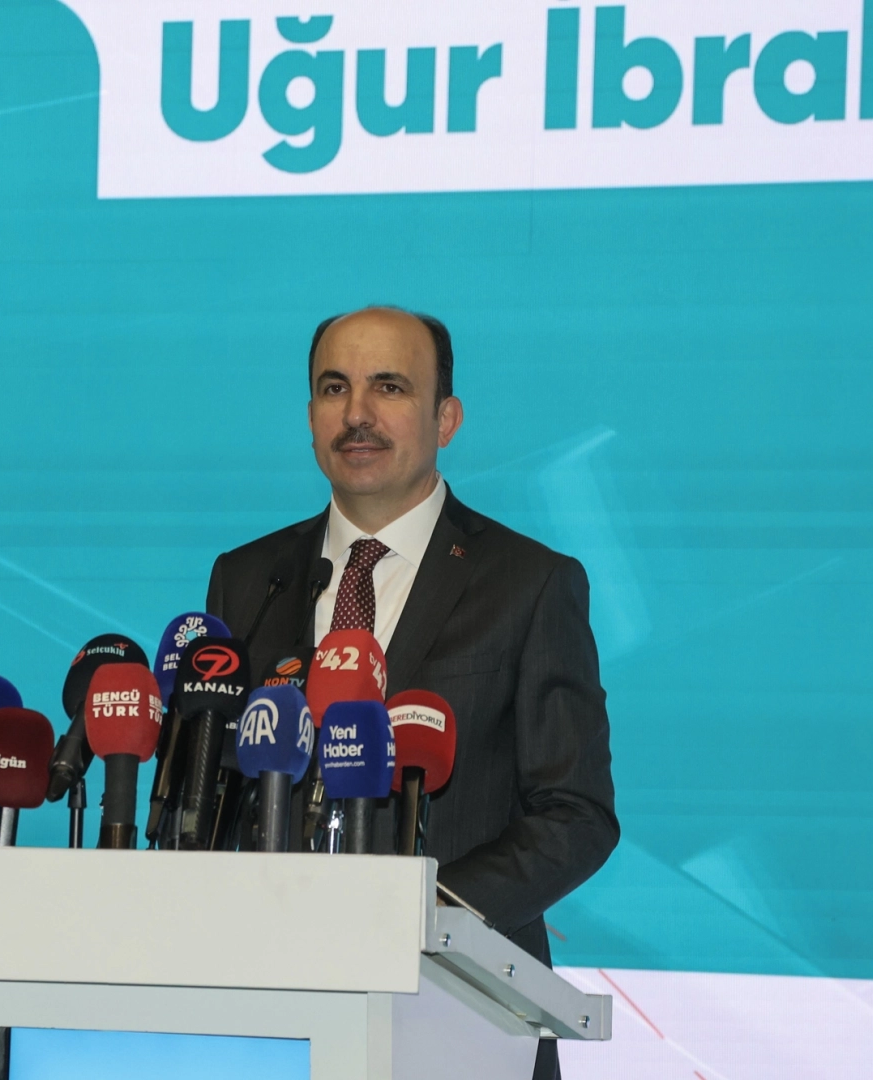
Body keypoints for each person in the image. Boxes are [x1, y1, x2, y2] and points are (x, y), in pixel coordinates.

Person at [205, 306, 619, 1080]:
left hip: (460, 1013)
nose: (356, 414)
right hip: (271, 1011)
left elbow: (575, 815)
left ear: (445, 419)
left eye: (388, 387)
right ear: (310, 415)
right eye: (334, 388)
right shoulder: (247, 578)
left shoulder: (528, 584)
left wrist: (422, 917)